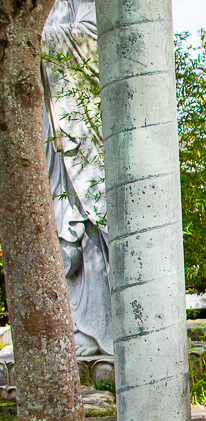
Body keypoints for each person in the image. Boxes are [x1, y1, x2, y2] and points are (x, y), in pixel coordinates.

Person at [43, 0, 112, 356]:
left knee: (90, 229)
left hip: (78, 125)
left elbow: (90, 34)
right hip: (50, 121)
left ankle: (98, 329)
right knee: (61, 229)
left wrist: (37, 38)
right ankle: (75, 323)